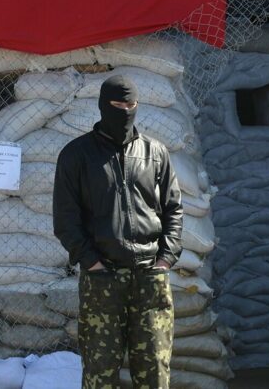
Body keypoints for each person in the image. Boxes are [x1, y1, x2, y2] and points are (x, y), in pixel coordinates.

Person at [53, 75, 183, 388]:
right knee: (100, 374)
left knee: (154, 373)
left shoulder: (154, 153)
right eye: (117, 105)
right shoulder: (77, 155)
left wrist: (165, 260)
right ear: (102, 106)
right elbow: (65, 219)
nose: (125, 111)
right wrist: (92, 263)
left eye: (131, 105)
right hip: (103, 281)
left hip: (149, 279)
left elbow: (174, 209)